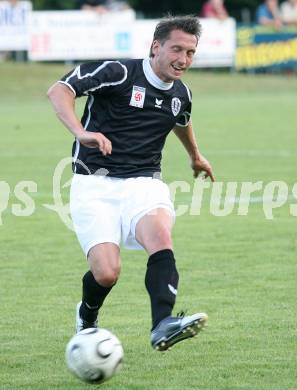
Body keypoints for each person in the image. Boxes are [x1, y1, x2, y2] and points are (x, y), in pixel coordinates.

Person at [47, 15, 214, 352]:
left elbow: (181, 117)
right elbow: (59, 90)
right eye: (176, 49)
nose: (183, 60)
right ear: (156, 47)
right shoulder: (119, 73)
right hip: (95, 184)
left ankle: (163, 324)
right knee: (107, 273)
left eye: (191, 52)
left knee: (161, 236)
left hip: (144, 182)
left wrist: (195, 155)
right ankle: (87, 315)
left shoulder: (182, 92)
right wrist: (82, 133)